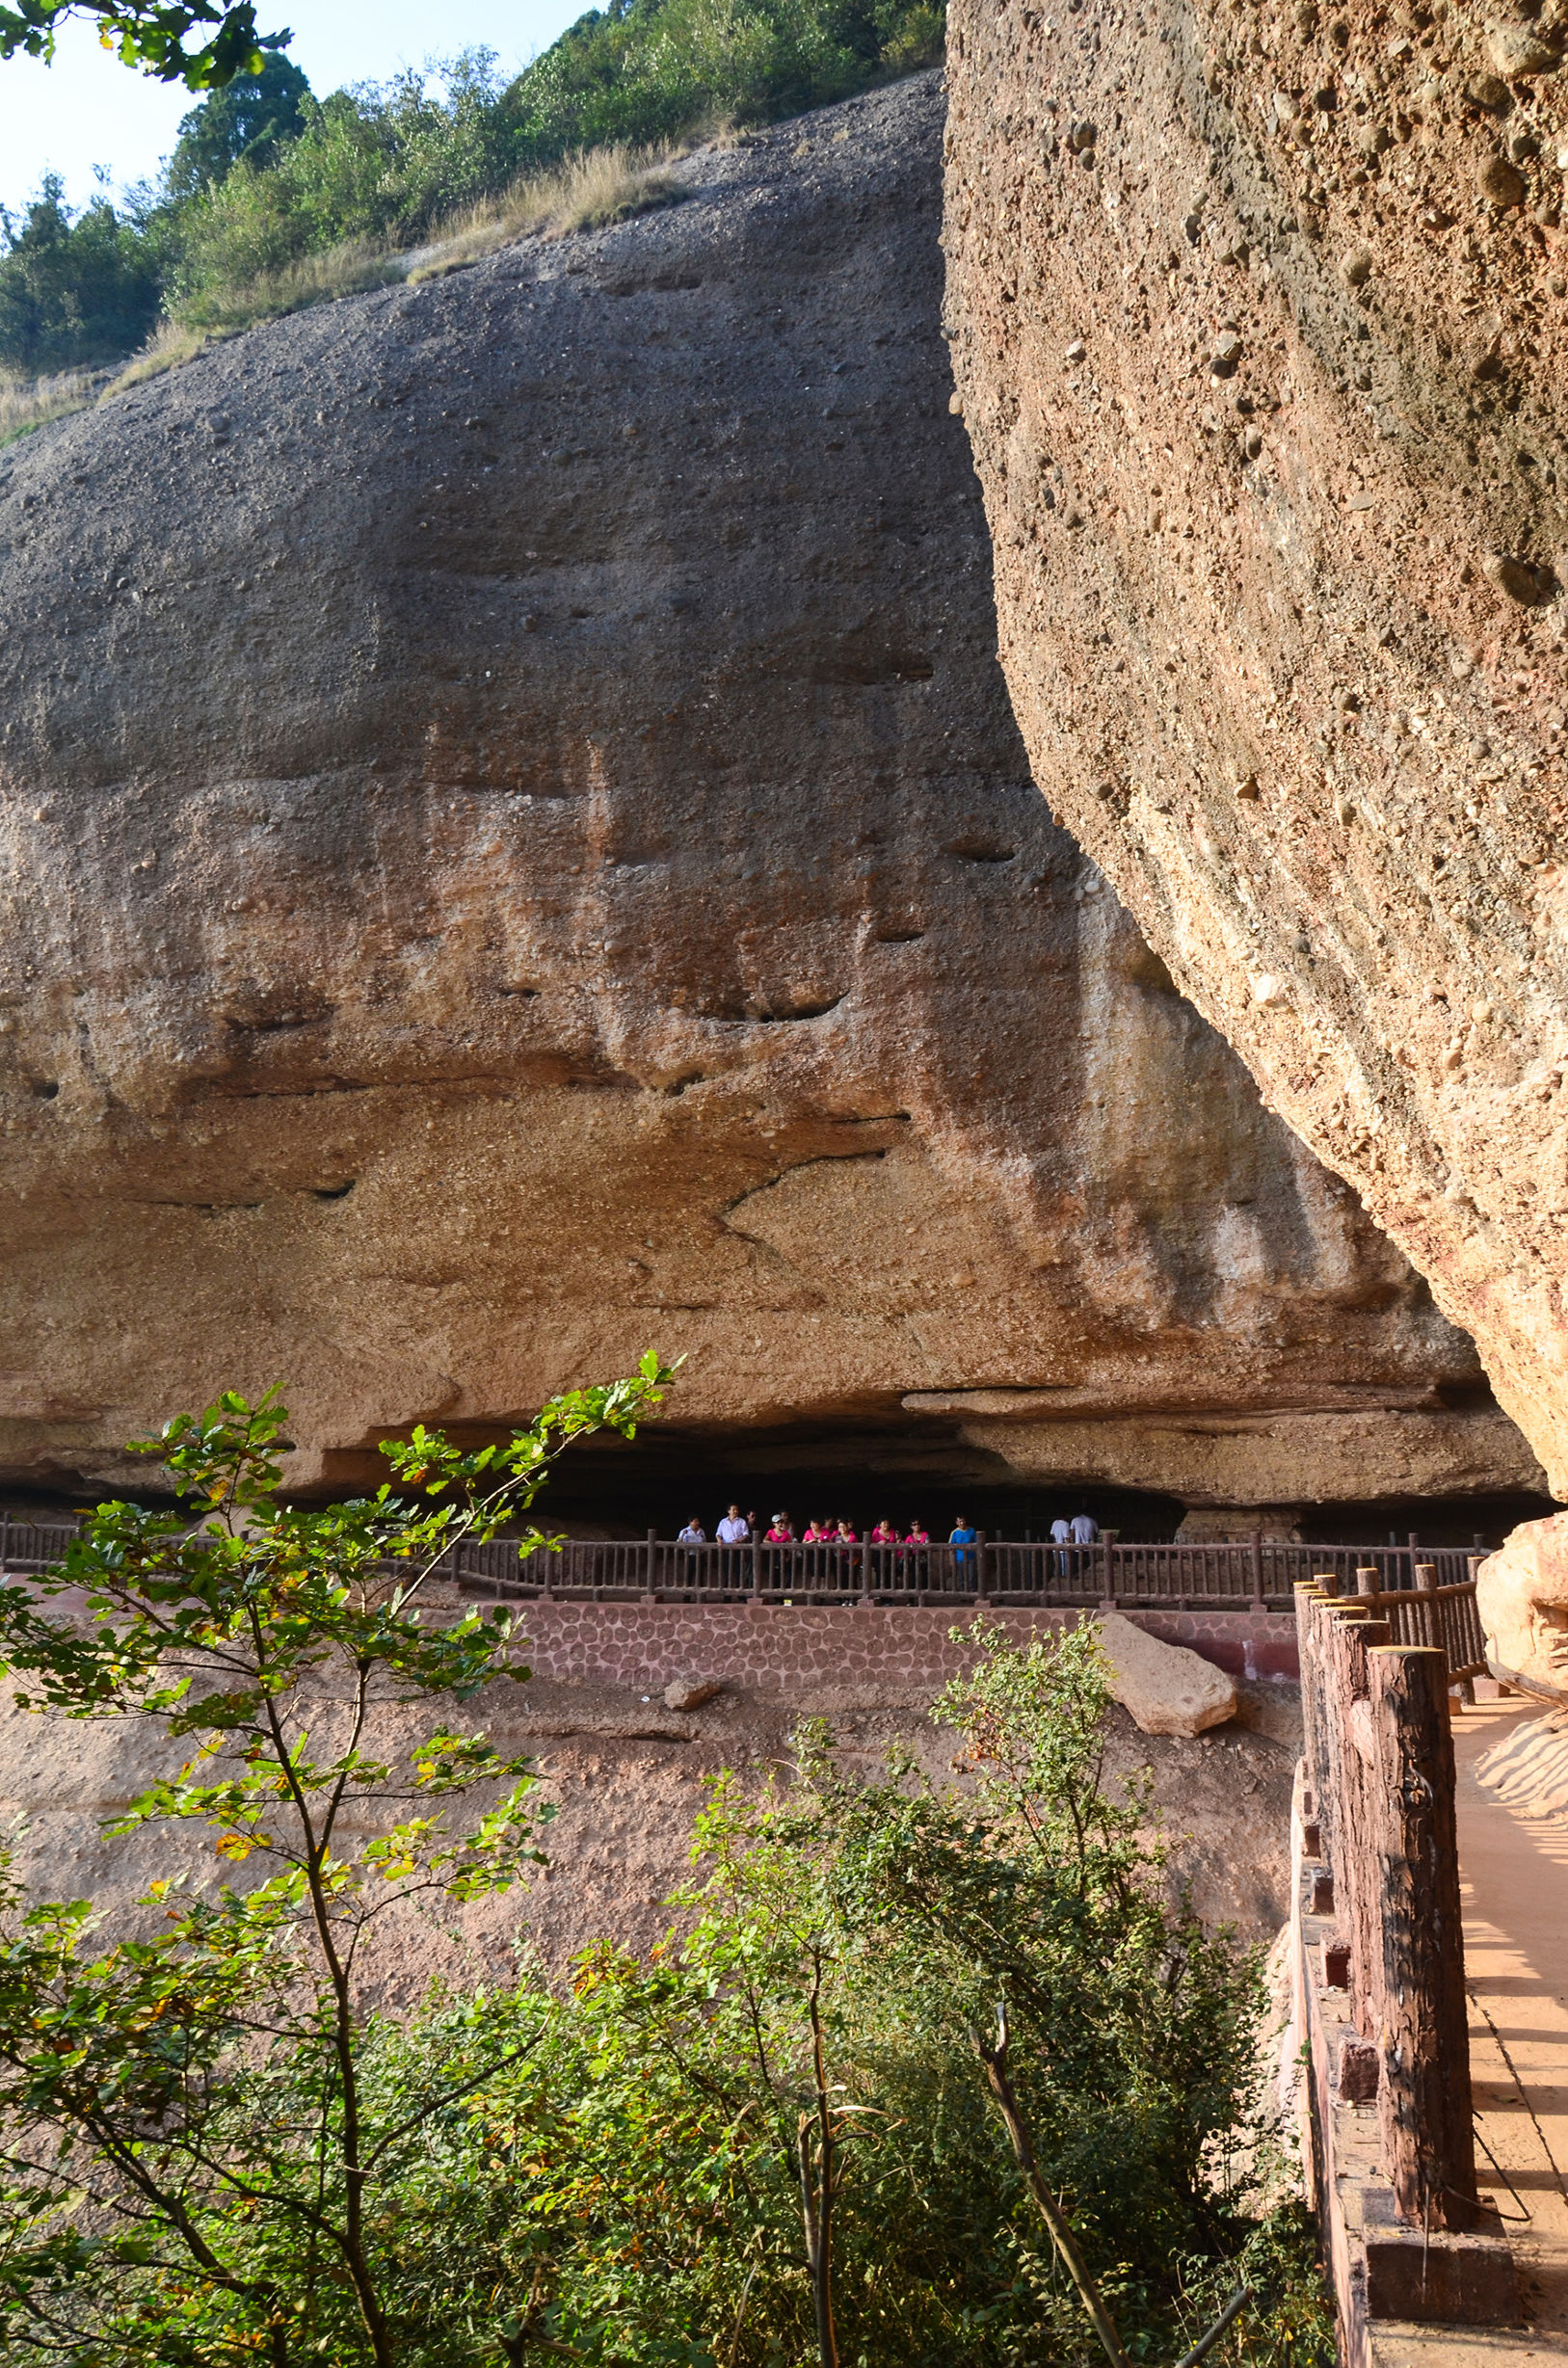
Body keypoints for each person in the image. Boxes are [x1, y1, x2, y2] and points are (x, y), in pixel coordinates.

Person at [948, 1515, 978, 1585]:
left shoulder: (972, 1530)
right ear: (957, 1523)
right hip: (960, 1558)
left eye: (963, 1521)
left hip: (971, 1557)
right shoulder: (954, 1532)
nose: (962, 1523)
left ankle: (972, 1590)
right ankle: (961, 1591)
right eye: (960, 1521)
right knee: (960, 1576)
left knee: (972, 1575)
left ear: (965, 1521)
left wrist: (977, 1555)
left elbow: (977, 1543)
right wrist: (951, 1560)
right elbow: (950, 1546)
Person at [1050, 1512, 1071, 1577]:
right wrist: (1069, 1546)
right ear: (1066, 1516)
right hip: (1063, 1548)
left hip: (1055, 1547)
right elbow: (1066, 1537)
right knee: (1064, 1565)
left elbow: (1051, 1534)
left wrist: (1057, 1536)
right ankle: (1064, 1578)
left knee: (1057, 1565)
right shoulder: (1066, 1524)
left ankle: (1056, 1578)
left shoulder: (1055, 1522)